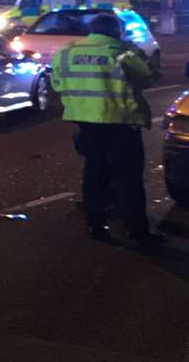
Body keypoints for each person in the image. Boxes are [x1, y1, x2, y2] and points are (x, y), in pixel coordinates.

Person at [49, 12, 159, 244]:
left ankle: (95, 225)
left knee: (94, 174)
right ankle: (136, 230)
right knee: (129, 178)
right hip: (121, 122)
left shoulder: (67, 53)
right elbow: (148, 78)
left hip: (86, 122)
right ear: (116, 31)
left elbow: (57, 83)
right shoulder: (123, 53)